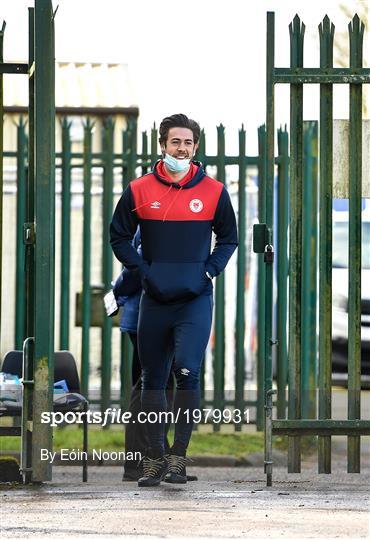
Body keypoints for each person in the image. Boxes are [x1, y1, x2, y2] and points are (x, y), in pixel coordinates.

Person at [110, 113, 238, 487]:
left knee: (186, 371)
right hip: (154, 300)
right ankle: (153, 459)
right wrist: (143, 271)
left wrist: (208, 272)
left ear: (195, 148)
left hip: (195, 299)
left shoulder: (214, 191)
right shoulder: (138, 189)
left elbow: (228, 239)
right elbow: (119, 236)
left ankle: (178, 458)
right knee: (152, 379)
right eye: (174, 142)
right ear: (162, 145)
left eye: (188, 143)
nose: (181, 149)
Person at [105, 229, 197, 482]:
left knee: (159, 386)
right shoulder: (156, 223)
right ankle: (139, 462)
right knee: (149, 387)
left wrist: (118, 292)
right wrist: (118, 292)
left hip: (153, 313)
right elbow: (140, 267)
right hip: (147, 315)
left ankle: (157, 457)